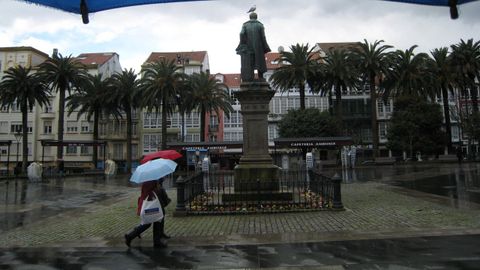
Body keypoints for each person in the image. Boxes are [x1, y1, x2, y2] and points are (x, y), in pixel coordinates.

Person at [124, 180, 171, 248]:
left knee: (152, 222)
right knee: (151, 222)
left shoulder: (148, 180)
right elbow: (151, 191)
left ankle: (132, 236)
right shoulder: (151, 181)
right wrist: (158, 187)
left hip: (150, 204)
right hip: (152, 204)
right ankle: (130, 236)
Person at [236, 12, 271, 81]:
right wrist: (266, 47)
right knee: (259, 61)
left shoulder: (245, 25)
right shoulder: (260, 25)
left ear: (250, 17)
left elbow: (241, 33)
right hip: (259, 47)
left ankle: (250, 78)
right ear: (256, 17)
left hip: (248, 47)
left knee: (250, 62)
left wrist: (243, 43)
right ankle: (260, 77)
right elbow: (263, 37)